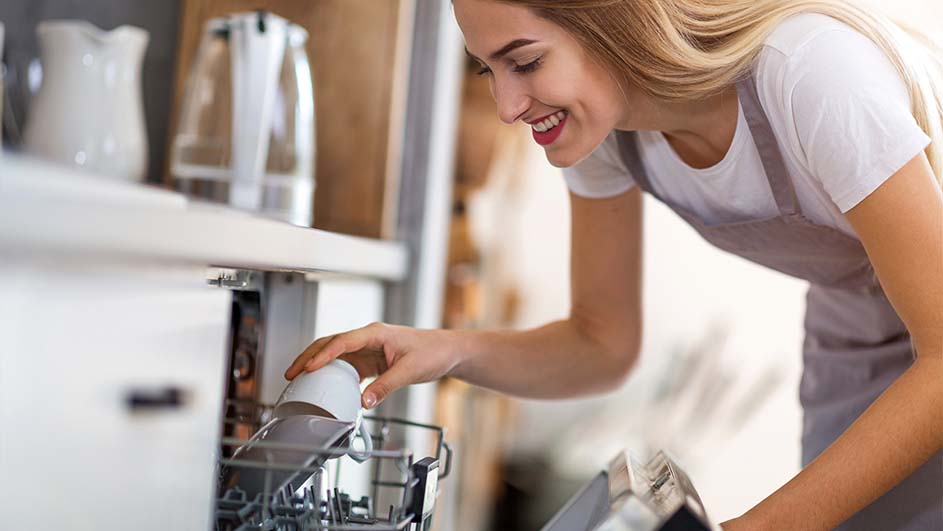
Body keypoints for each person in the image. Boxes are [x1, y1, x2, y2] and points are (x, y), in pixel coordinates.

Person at [285, 1, 943, 528]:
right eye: (488, 70)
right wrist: (444, 349)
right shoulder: (606, 136)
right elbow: (601, 344)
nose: (507, 107)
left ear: (612, 21)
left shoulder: (812, 73)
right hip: (855, 324)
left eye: (525, 62)